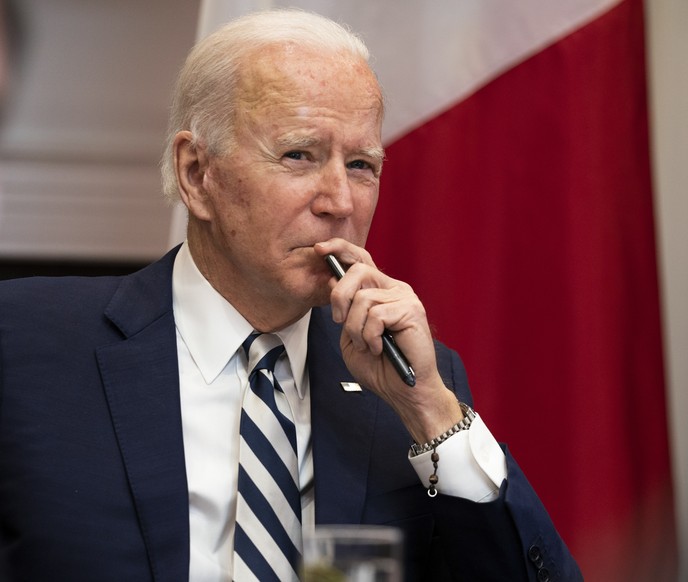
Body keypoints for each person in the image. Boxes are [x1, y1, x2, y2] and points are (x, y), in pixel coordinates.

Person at [0, 8, 582, 581]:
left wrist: (431, 411)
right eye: (299, 155)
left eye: (361, 165)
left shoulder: (411, 382)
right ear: (197, 174)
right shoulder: (25, 344)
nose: (340, 202)